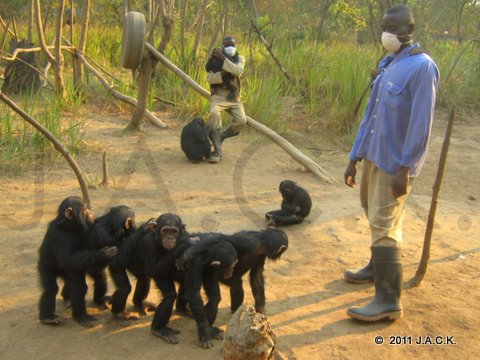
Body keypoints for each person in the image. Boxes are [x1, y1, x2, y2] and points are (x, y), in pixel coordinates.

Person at [343, 4, 439, 322]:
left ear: (407, 30)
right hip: (373, 155)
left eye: (392, 28)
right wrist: (354, 158)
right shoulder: (389, 64)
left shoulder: (423, 68)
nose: (385, 33)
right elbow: (370, 117)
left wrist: (406, 169)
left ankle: (388, 300)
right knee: (375, 215)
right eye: (384, 26)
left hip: (394, 163)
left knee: (384, 224)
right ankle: (377, 268)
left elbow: (420, 124)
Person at [205, 36, 247, 163]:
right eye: (227, 45)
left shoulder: (240, 58)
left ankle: (220, 137)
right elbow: (210, 78)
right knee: (213, 114)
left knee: (241, 120)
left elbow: (237, 71)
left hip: (234, 97)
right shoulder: (214, 59)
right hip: (218, 96)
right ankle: (217, 151)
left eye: (232, 45)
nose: (230, 47)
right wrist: (222, 74)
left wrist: (223, 58)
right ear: (223, 46)